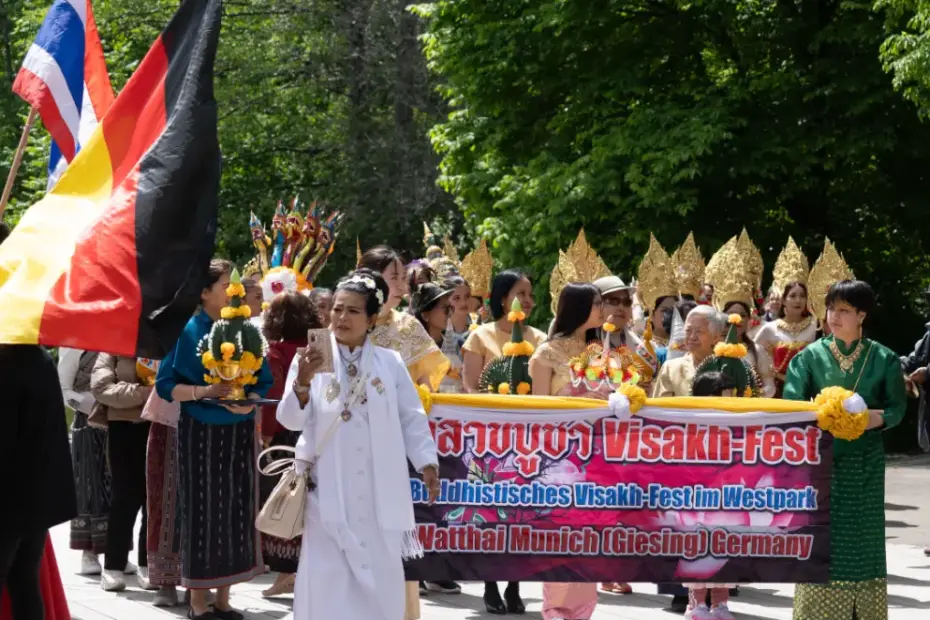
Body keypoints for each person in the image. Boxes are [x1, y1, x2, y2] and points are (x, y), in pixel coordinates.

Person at [276, 268, 441, 620]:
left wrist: (426, 461)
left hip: (378, 492)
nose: (341, 317)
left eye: (352, 310)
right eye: (336, 309)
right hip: (327, 490)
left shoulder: (389, 362)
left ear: (371, 318)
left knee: (379, 579)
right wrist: (302, 385)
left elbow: (411, 415)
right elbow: (289, 420)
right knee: (326, 580)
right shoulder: (310, 358)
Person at [156, 259, 274, 620]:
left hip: (238, 430)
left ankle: (224, 600)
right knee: (203, 512)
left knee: (237, 510)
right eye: (226, 285)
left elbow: (263, 380)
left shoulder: (245, 329)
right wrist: (205, 390)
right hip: (200, 432)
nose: (233, 292)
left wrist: (248, 402)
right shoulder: (185, 330)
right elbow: (165, 386)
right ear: (204, 292)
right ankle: (198, 603)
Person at [783, 280, 906, 620]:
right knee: (821, 536)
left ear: (861, 315)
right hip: (820, 463)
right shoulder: (809, 357)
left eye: (843, 311)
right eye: (830, 309)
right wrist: (818, 416)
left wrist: (873, 419)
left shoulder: (882, 358)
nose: (833, 317)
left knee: (863, 538)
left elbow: (898, 408)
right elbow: (791, 407)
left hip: (865, 462)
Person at [357, 247, 450, 618]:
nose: (399, 285)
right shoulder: (347, 321)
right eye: (392, 277)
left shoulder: (407, 327)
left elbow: (429, 381)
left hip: (393, 445)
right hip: (350, 443)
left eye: (400, 277)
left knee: (393, 531)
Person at [529, 283, 604, 620]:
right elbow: (538, 412)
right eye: (597, 303)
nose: (603, 309)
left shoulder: (600, 351)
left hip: (598, 455)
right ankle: (556, 613)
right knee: (560, 540)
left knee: (589, 541)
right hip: (559, 458)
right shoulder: (547, 353)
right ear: (578, 307)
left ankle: (583, 613)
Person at [259, 291, 321, 597]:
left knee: (287, 502)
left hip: (285, 434)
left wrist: (266, 433)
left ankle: (285, 573)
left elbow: (273, 398)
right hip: (314, 431)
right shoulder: (316, 350)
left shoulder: (276, 352)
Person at [91, 354, 155, 592]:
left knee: (155, 497)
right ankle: (113, 566)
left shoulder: (166, 345)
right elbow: (102, 388)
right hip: (124, 428)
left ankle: (148, 564)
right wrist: (145, 392)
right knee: (124, 498)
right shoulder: (112, 350)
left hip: (159, 425)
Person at [57, 348, 110, 576]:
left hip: (119, 418)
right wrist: (88, 404)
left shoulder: (119, 338)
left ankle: (116, 552)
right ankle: (88, 553)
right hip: (87, 421)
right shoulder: (73, 344)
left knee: (117, 488)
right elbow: (64, 389)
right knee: (90, 487)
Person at [753, 281, 818, 397]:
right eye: (792, 296)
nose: (798, 300)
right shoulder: (770, 328)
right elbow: (752, 353)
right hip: (778, 390)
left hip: (808, 389)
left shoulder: (815, 327)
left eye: (802, 296)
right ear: (783, 301)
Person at [653, 306, 726, 398]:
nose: (692, 337)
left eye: (699, 331)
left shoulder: (730, 367)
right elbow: (660, 408)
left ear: (715, 337)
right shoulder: (671, 369)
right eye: (688, 330)